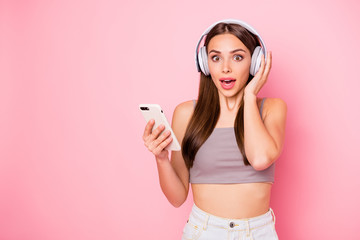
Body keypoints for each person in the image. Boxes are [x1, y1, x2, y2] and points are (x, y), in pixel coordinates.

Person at [142, 19, 287, 240]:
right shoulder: (186, 114)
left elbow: (259, 159)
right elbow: (177, 198)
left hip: (258, 233)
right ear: (204, 63)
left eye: (237, 57)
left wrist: (249, 96)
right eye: (215, 58)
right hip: (203, 232)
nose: (225, 68)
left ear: (256, 62)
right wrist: (161, 158)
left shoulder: (272, 109)